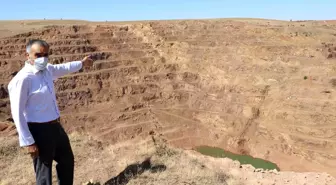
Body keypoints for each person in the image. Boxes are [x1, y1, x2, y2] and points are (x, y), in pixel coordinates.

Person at [7, 39, 94, 185]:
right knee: (44, 172)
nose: (43, 58)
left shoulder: (47, 70)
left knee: (67, 160)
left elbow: (64, 68)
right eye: (38, 55)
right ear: (27, 55)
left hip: (55, 126)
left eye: (46, 55)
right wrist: (28, 141)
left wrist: (82, 63)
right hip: (38, 130)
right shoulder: (22, 79)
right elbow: (17, 113)